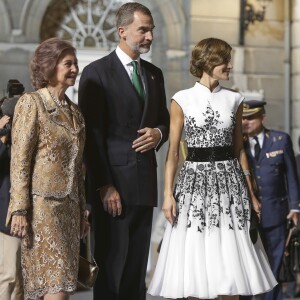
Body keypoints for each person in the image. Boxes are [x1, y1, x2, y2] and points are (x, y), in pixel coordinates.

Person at [148, 37, 277, 300]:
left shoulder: (235, 99)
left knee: (230, 267)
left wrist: (251, 193)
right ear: (207, 61)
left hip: (230, 186)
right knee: (195, 265)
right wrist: (168, 195)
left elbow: (239, 149)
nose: (230, 65)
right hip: (193, 185)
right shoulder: (181, 99)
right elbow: (173, 153)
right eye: (225, 60)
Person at [78, 2, 170, 299]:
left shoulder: (154, 74)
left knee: (135, 272)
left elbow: (165, 120)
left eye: (151, 30)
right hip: (113, 190)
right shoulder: (96, 72)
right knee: (111, 270)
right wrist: (104, 185)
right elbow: (90, 135)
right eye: (143, 30)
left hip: (144, 185)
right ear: (122, 31)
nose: (149, 37)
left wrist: (159, 133)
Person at [6, 37, 86, 300]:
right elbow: (19, 160)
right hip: (42, 210)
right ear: (50, 66)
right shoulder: (32, 103)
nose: (75, 68)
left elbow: (79, 167)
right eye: (68, 63)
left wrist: (82, 211)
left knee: (55, 288)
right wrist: (18, 209)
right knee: (55, 288)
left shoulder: (76, 112)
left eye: (75, 63)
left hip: (70, 212)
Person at [242, 100, 300, 300]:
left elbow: (291, 176)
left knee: (274, 264)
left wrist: (295, 207)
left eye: (250, 118)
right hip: (247, 217)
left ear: (262, 117)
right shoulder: (237, 144)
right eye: (242, 118)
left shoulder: (279, 140)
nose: (245, 122)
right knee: (249, 266)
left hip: (276, 213)